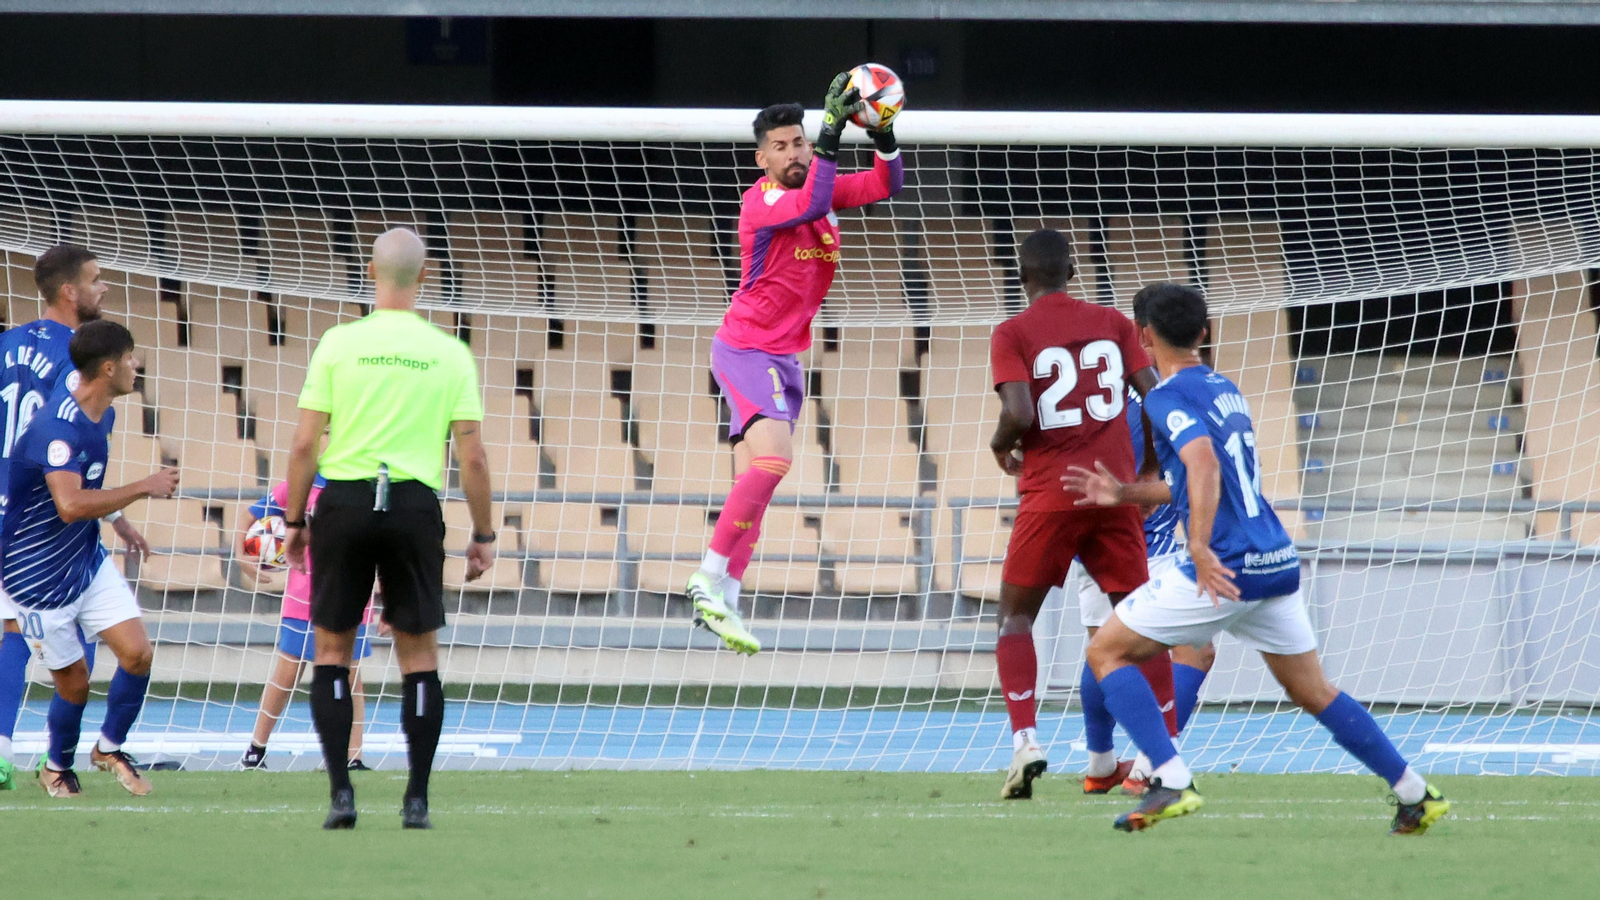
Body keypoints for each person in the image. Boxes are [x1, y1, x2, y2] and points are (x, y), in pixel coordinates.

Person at [1064, 282, 1452, 834]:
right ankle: (1415, 792)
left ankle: (1168, 778)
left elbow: (1202, 467)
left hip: (1226, 563)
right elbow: (1191, 476)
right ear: (1204, 332)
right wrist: (1125, 495)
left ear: (1145, 337)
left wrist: (1197, 546)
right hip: (1274, 557)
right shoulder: (1226, 389)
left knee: (1106, 651)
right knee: (1312, 690)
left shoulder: (1163, 396)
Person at [683, 74, 904, 655]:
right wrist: (833, 131)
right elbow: (808, 200)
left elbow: (889, 182)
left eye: (800, 142)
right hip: (744, 347)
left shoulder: (820, 194)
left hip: (785, 358)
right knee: (776, 460)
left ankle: (726, 594)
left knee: (751, 486)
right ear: (762, 158)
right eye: (780, 146)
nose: (793, 152)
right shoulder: (762, 202)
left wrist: (883, 132)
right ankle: (706, 575)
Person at [283, 227, 495, 830]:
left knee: (330, 649)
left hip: (345, 503)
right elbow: (473, 457)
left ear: (370, 272)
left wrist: (296, 520)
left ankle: (342, 794)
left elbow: (303, 444)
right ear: (424, 277)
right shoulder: (450, 351)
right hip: (413, 506)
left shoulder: (338, 344)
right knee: (418, 655)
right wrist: (484, 534)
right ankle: (417, 799)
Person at [985, 227, 1168, 801]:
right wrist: (1147, 473)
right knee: (1140, 623)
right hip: (1111, 493)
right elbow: (1155, 394)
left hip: (1049, 493)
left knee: (1016, 618)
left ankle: (1027, 740)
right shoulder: (1114, 324)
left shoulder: (1013, 332)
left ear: (1023, 276)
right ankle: (1159, 755)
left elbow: (1018, 409)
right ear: (1072, 272)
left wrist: (999, 445)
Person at [2, 320, 178, 797]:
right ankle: (56, 766)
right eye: (130, 358)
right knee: (75, 683)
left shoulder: (106, 415)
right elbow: (71, 504)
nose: (136, 365)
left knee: (138, 654)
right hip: (33, 572)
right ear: (108, 367)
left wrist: (118, 519)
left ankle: (107, 748)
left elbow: (90, 490)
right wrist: (144, 486)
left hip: (84, 558)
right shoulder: (56, 429)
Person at [1068, 386, 1217, 796]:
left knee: (1104, 651)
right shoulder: (1164, 400)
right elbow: (1190, 477)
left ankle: (1100, 765)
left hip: (1097, 545)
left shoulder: (1098, 394)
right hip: (1149, 552)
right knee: (1195, 651)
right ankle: (1152, 764)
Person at [235, 474, 382, 771]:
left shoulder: (367, 482)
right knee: (288, 670)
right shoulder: (302, 483)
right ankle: (255, 749)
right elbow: (250, 516)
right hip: (306, 593)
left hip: (354, 588)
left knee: (351, 674)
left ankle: (353, 756)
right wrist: (241, 554)